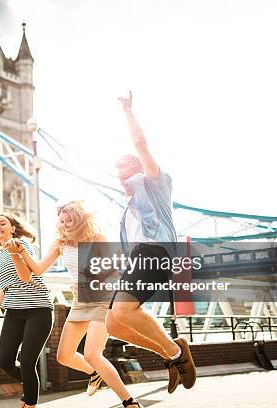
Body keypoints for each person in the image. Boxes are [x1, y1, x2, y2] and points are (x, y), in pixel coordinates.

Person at [105, 91, 197, 397]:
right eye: (119, 172)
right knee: (114, 325)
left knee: (125, 311)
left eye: (128, 169)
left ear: (140, 169)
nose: (124, 176)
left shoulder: (156, 183)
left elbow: (140, 144)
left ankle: (178, 353)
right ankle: (172, 354)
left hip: (157, 254)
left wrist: (127, 112)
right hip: (138, 260)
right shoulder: (127, 212)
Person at [8, 200, 139, 407]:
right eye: (62, 221)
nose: (65, 224)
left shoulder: (98, 239)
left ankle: (129, 402)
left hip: (102, 298)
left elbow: (117, 269)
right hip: (80, 300)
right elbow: (39, 269)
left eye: (69, 220)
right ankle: (95, 373)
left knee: (92, 353)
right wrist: (20, 252)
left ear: (80, 220)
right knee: (64, 356)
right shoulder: (60, 244)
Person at [0, 213, 53, 408]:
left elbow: (26, 277)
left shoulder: (22, 245)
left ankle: (29, 402)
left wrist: (15, 253)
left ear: (13, 228)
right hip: (13, 311)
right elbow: (6, 287)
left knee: (28, 362)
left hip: (38, 310)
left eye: (2, 223)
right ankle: (31, 385)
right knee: (5, 362)